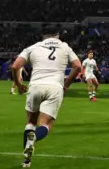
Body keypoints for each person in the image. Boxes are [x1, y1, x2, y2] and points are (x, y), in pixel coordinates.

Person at [11, 28, 82, 168]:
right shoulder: (65, 46)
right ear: (58, 35)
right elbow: (77, 66)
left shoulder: (33, 47)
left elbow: (15, 66)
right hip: (55, 87)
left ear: (43, 36)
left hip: (35, 86)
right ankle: (35, 137)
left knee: (31, 122)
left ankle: (26, 160)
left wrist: (19, 85)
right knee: (46, 124)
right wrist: (66, 85)